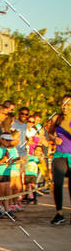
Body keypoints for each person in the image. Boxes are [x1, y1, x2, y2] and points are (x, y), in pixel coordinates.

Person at [47, 93, 71, 226]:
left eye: (68, 104)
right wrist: (54, 138)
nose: (65, 107)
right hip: (59, 154)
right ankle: (59, 213)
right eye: (63, 104)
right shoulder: (57, 118)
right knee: (57, 183)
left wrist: (66, 126)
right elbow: (50, 133)